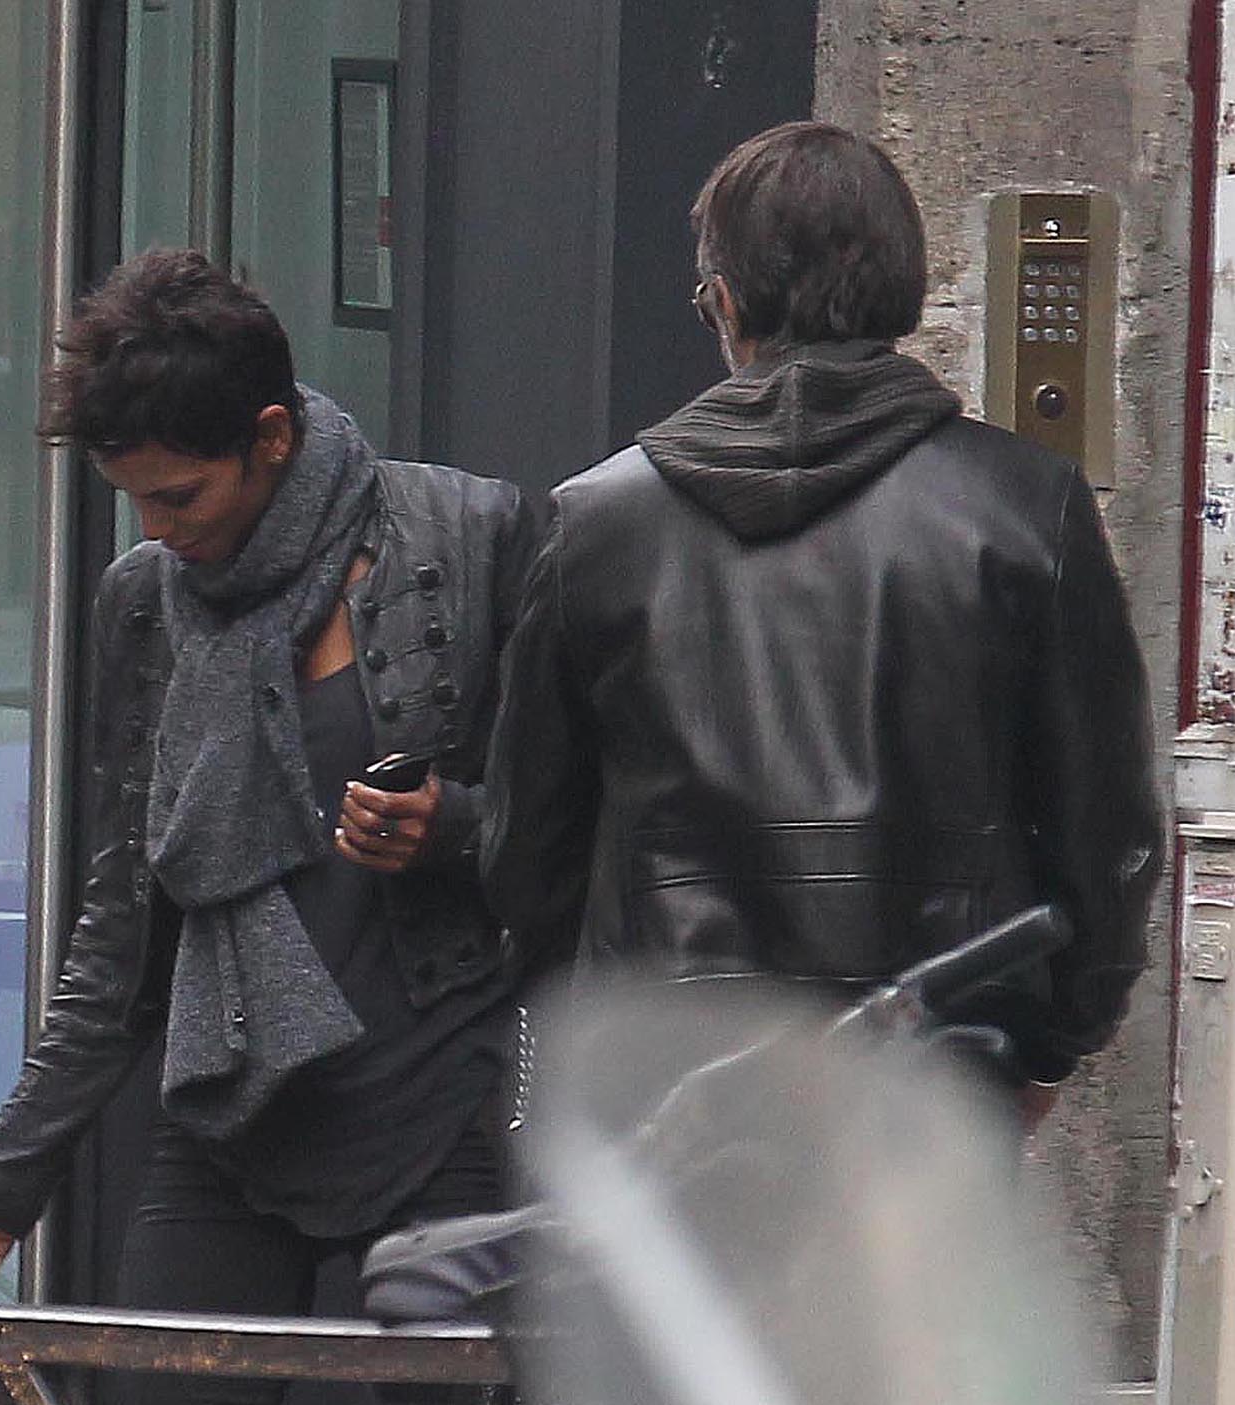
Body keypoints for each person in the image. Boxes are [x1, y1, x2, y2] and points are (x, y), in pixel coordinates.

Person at [0, 250, 536, 1405]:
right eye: (134, 498)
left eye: (180, 494)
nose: (159, 527)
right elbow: (126, 917)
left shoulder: (470, 538)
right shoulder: (147, 604)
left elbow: (591, 826)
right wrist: (4, 1175)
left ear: (273, 436)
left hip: (440, 1091)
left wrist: (454, 829)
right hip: (234, 1095)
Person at [480, 122, 1162, 1122]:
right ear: (905, 287)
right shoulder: (1025, 508)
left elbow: (526, 856)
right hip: (934, 1076)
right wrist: (1049, 1046)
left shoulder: (596, 524)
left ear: (724, 301)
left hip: (672, 1083)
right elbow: (1105, 835)